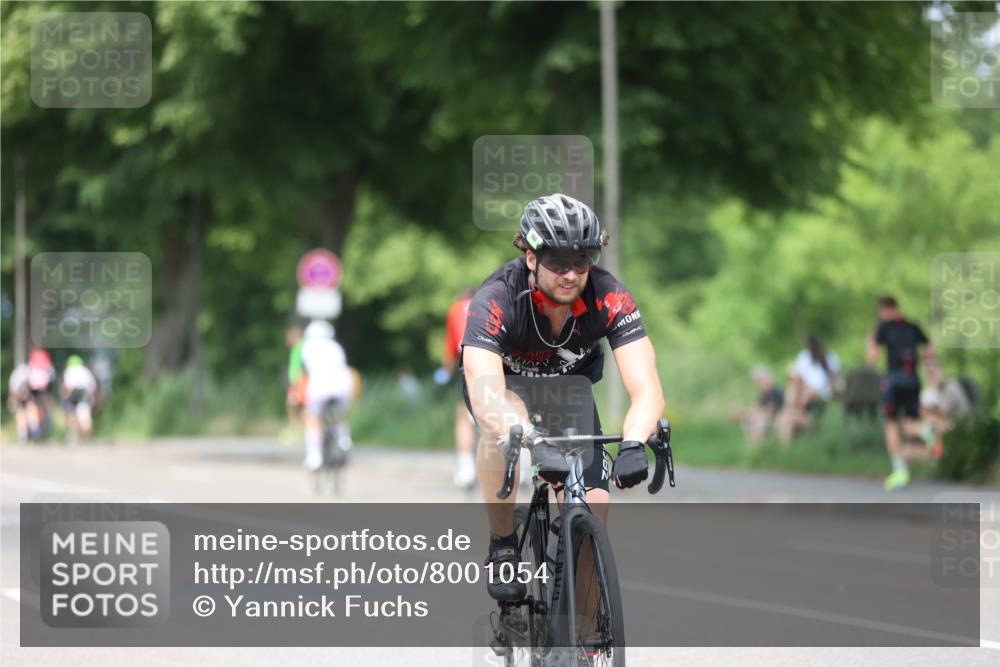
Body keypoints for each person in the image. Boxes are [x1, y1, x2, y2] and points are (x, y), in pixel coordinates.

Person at [460, 193, 665, 601]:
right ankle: (503, 543)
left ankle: (583, 648)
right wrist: (532, 440)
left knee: (594, 516)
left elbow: (647, 388)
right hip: (506, 393)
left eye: (583, 260)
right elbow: (486, 393)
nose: (571, 274)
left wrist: (633, 443)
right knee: (499, 429)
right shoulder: (498, 299)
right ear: (531, 258)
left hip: (569, 394)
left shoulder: (609, 296)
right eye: (557, 262)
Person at [866, 295, 936, 490]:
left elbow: (872, 356)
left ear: (885, 310)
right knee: (910, 423)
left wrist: (870, 338)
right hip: (913, 380)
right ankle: (926, 430)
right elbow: (931, 349)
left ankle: (899, 470)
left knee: (891, 424)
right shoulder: (913, 327)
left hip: (893, 381)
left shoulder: (884, 328)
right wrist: (918, 358)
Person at [300, 320, 355, 472]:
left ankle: (314, 456)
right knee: (339, 414)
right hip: (343, 382)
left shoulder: (308, 347)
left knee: (313, 417)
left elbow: (305, 371)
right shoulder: (336, 347)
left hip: (321, 382)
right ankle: (344, 440)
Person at [436, 288, 477, 488]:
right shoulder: (493, 303)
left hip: (468, 360)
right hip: (495, 361)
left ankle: (466, 468)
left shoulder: (456, 309)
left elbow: (451, 347)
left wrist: (445, 375)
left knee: (464, 417)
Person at [777, 336, 841, 445]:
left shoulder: (828, 357)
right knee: (796, 387)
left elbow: (832, 379)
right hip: (805, 390)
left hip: (818, 392)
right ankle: (796, 414)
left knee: (785, 417)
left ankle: (794, 414)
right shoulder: (805, 357)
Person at [731, 365, 784, 445]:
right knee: (749, 421)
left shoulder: (776, 393)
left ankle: (757, 448)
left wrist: (747, 414)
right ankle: (755, 448)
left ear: (769, 379)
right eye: (758, 382)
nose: (759, 384)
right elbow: (758, 409)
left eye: (761, 380)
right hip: (769, 420)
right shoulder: (763, 396)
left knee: (756, 422)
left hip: (778, 420)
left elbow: (771, 410)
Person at [60, 355, 98, 443]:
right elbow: (92, 387)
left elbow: (68, 387)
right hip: (85, 395)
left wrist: (64, 398)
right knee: (85, 419)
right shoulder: (86, 371)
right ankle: (87, 437)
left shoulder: (69, 371)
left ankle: (74, 437)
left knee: (72, 417)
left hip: (74, 395)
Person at [7, 362, 32, 443]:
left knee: (28, 413)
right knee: (21, 415)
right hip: (19, 396)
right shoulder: (15, 379)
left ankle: (30, 433)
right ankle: (23, 436)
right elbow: (12, 393)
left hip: (27, 396)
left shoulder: (26, 376)